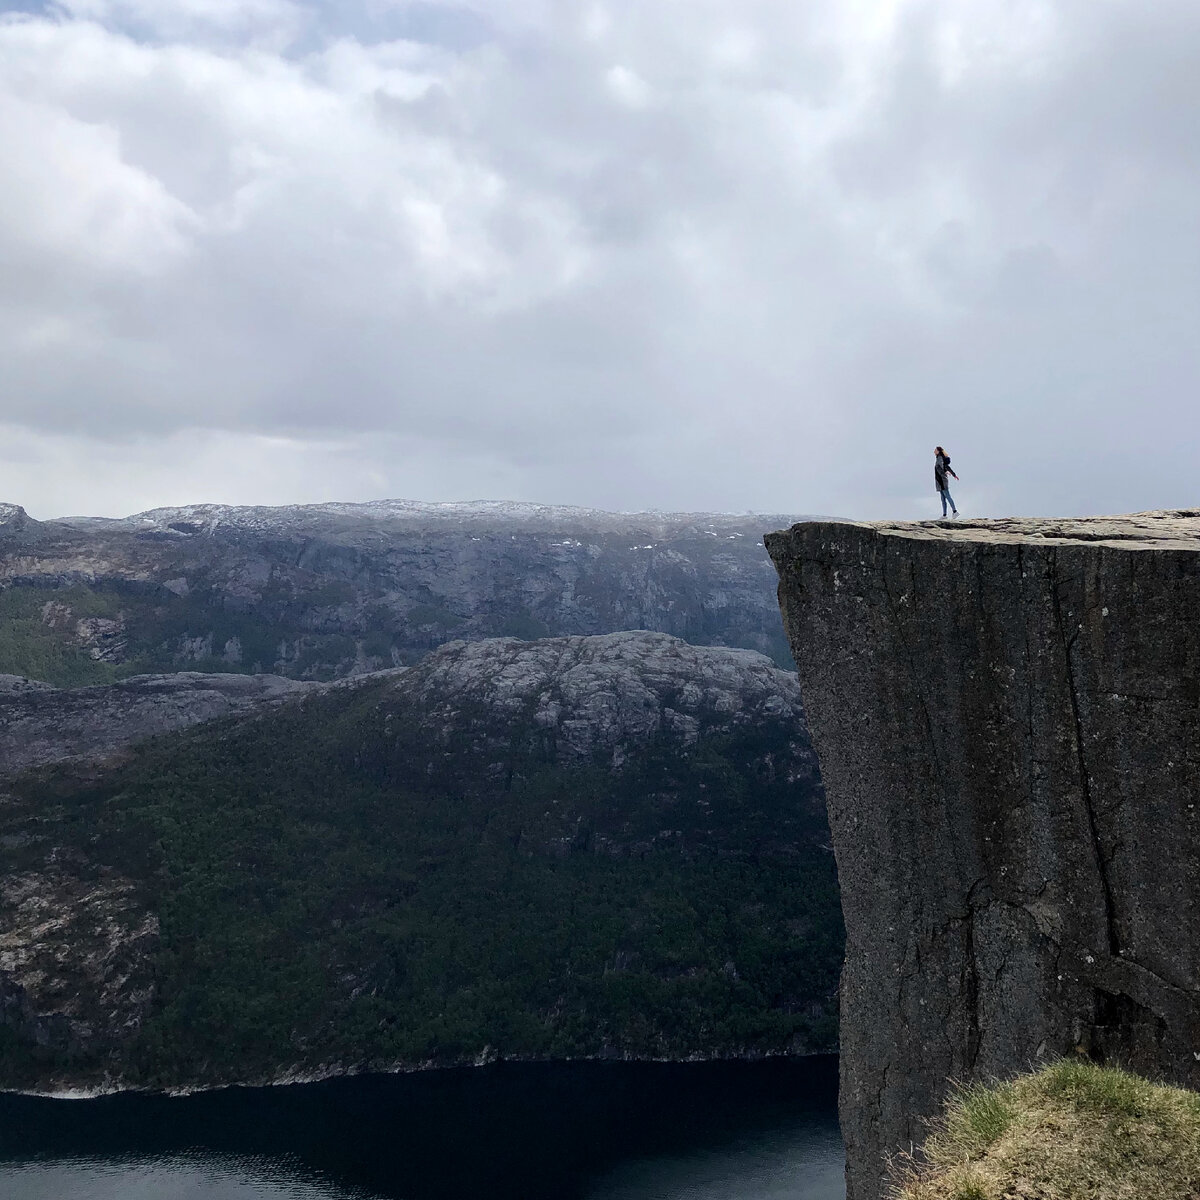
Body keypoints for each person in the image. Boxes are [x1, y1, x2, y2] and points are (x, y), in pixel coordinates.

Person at [934, 446, 959, 518]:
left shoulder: (939, 458)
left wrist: (946, 471)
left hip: (942, 480)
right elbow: (947, 467)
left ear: (938, 451)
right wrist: (954, 475)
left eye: (935, 450)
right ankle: (944, 515)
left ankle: (955, 511)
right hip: (939, 481)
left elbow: (942, 466)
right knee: (943, 498)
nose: (934, 451)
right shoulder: (939, 458)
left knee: (947, 496)